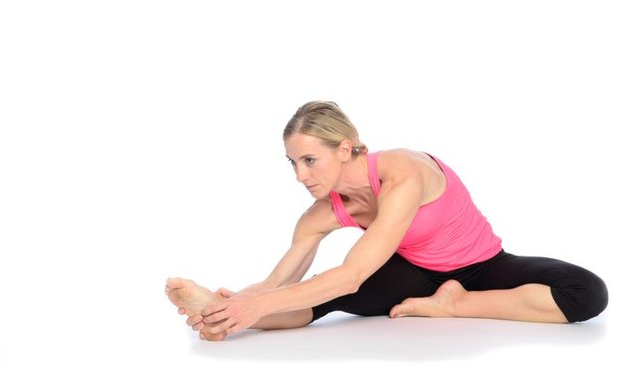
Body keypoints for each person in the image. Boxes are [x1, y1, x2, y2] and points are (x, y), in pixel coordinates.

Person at [165, 100, 608, 341]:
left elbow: (356, 273)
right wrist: (232, 305)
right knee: (317, 300)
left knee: (586, 293)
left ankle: (456, 305)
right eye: (293, 163)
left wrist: (258, 304)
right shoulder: (320, 214)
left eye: (310, 159)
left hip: (485, 264)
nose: (301, 175)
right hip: (415, 275)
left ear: (345, 148)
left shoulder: (402, 171)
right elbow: (279, 283)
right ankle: (219, 316)